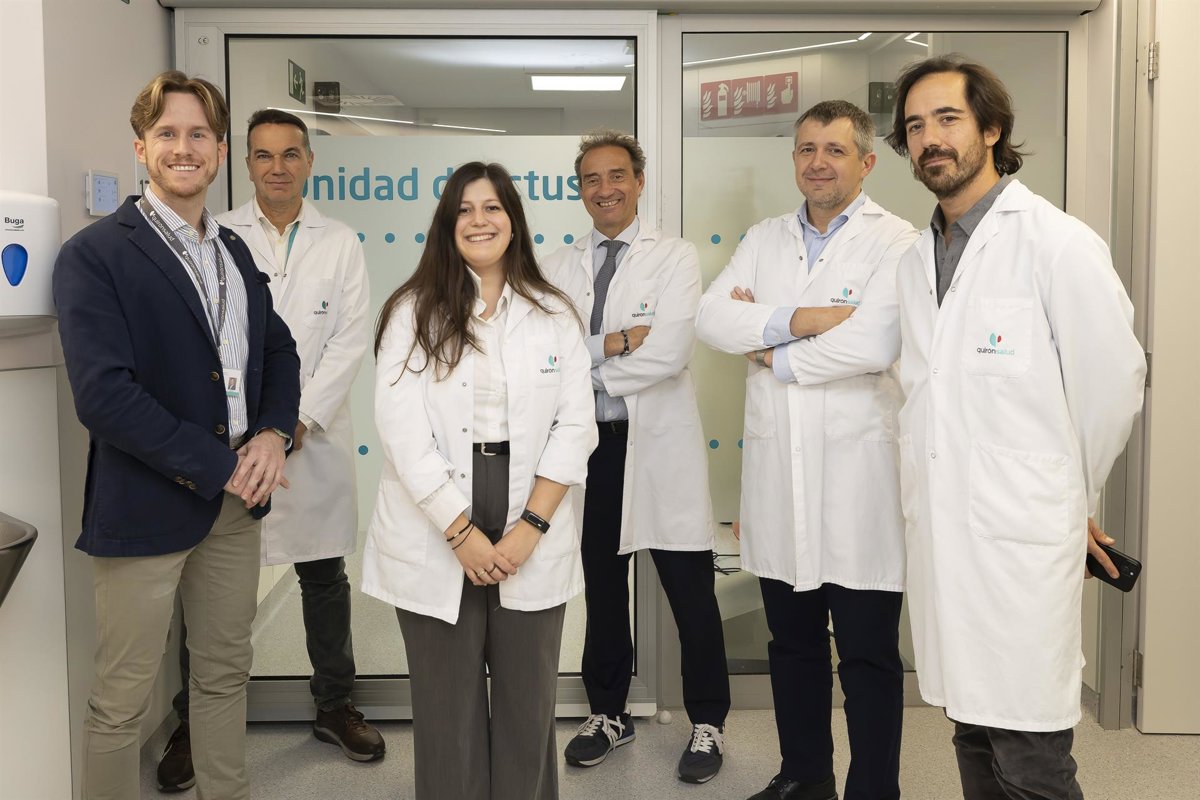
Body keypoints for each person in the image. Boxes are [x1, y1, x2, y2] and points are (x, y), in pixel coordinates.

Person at [884, 55, 1145, 800]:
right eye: (915, 126)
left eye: (948, 118)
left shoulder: (1056, 243)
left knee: (1030, 757)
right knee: (970, 730)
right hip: (947, 534)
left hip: (1021, 538)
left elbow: (1112, 384)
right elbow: (924, 393)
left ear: (992, 129)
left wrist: (1067, 495)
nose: (930, 138)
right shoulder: (915, 260)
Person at [53, 71, 300, 800]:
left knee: (224, 674)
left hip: (234, 510)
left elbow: (279, 351)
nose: (183, 147)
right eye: (167, 133)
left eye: (198, 134)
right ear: (141, 148)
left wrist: (273, 433)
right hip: (147, 503)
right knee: (122, 698)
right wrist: (221, 465)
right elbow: (104, 397)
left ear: (220, 151)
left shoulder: (235, 253)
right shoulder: (96, 254)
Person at [695, 100, 918, 800]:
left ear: (866, 162)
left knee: (868, 657)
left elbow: (875, 342)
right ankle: (805, 776)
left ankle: (873, 790)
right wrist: (812, 319)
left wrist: (773, 350)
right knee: (791, 647)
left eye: (835, 150)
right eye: (806, 149)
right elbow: (711, 318)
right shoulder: (765, 238)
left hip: (860, 484)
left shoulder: (898, 241)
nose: (818, 163)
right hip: (778, 479)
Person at [154, 109, 381, 792]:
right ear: (243, 163)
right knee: (209, 587)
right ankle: (195, 722)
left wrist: (296, 422)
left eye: (289, 154)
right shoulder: (218, 234)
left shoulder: (341, 242)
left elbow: (350, 338)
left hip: (311, 438)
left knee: (323, 576)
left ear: (309, 162)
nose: (277, 167)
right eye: (263, 155)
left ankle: (334, 704)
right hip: (231, 443)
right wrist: (253, 432)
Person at [363, 161, 596, 800]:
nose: (479, 220)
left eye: (492, 207)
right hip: (437, 512)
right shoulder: (411, 311)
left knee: (529, 703)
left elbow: (576, 426)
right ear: (447, 224)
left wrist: (531, 527)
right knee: (446, 710)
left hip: (532, 510)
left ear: (513, 220)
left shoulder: (555, 313)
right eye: (464, 209)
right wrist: (460, 531)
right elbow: (401, 431)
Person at [541, 130, 731, 784]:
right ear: (580, 189)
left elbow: (669, 354)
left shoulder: (674, 257)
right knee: (602, 586)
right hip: (592, 449)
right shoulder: (557, 266)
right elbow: (546, 356)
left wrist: (584, 366)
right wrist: (616, 342)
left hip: (659, 446)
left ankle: (708, 721)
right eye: (591, 179)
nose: (605, 189)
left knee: (690, 589)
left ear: (639, 181)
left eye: (617, 175)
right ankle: (608, 713)